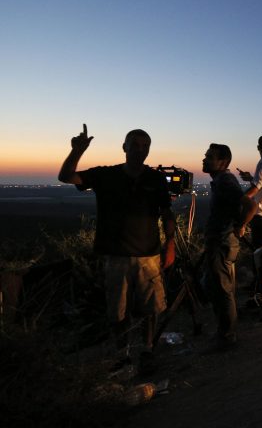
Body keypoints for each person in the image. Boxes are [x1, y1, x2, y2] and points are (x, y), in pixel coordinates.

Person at [58, 125, 175, 372]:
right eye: (135, 145)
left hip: (149, 255)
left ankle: (147, 349)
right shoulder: (106, 175)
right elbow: (66, 176)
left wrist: (170, 244)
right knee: (117, 311)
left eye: (145, 146)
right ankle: (123, 353)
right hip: (115, 255)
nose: (140, 150)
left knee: (150, 309)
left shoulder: (155, 179)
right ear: (124, 147)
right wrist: (77, 151)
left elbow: (166, 214)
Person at [201, 144, 257, 352]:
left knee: (222, 290)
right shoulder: (221, 181)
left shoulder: (225, 181)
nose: (204, 159)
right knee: (212, 285)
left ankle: (227, 336)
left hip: (222, 243)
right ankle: (224, 331)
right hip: (220, 242)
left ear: (223, 162)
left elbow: (251, 205)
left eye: (209, 157)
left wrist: (240, 225)